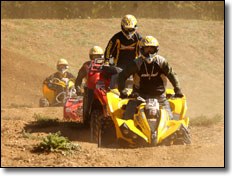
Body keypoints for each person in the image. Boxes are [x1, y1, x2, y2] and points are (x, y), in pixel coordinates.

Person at [118, 36, 184, 120]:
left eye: (151, 49)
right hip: (139, 96)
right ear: (142, 49)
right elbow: (122, 75)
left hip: (160, 96)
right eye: (146, 49)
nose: (149, 52)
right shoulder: (136, 63)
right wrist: (122, 91)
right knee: (128, 117)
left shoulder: (162, 62)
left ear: (156, 49)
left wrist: (177, 89)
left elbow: (172, 75)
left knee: (169, 119)